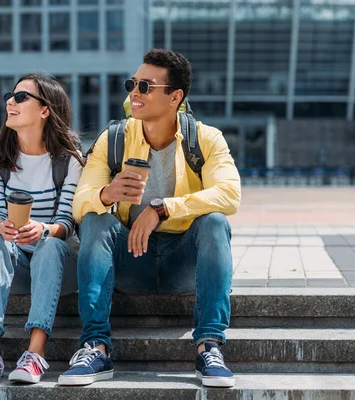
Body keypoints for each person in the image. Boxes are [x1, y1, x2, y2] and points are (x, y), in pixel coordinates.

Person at [59, 49, 241, 388]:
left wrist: (161, 209)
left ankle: (209, 346)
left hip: (183, 263)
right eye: (132, 84)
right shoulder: (113, 138)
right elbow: (79, 203)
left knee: (215, 222)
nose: (134, 93)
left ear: (175, 97)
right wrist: (106, 195)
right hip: (132, 260)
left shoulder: (206, 138)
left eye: (145, 86)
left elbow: (230, 194)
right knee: (96, 220)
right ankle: (95, 346)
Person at [0, 72, 84, 384]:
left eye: (21, 97)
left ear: (45, 110)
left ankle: (35, 353)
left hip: (61, 266)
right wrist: (4, 229)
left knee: (49, 243)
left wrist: (43, 229)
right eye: (11, 95)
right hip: (19, 265)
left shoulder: (69, 160)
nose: (11, 101)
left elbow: (66, 224)